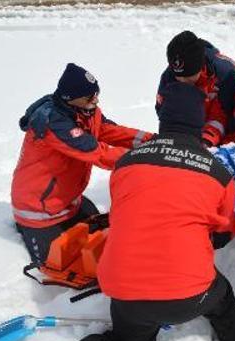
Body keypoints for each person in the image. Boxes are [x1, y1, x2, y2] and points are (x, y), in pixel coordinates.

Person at [16, 83, 235, 341]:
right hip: (189, 293)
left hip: (124, 290)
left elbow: (123, 214)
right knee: (222, 299)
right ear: (198, 123)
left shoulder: (129, 161)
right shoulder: (217, 173)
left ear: (163, 121)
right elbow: (223, 232)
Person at [11, 63, 151, 265]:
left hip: (70, 202)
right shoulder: (55, 124)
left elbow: (108, 130)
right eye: (89, 97)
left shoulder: (85, 110)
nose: (95, 100)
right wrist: (144, 157)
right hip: (40, 211)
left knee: (104, 239)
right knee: (62, 264)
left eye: (96, 93)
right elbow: (98, 154)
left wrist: (151, 140)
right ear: (70, 98)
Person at [156, 30, 235, 147]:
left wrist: (206, 142)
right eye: (178, 77)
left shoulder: (226, 73)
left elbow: (230, 117)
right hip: (185, 137)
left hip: (220, 140)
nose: (182, 81)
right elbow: (164, 112)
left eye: (189, 77)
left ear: (201, 67)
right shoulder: (170, 74)